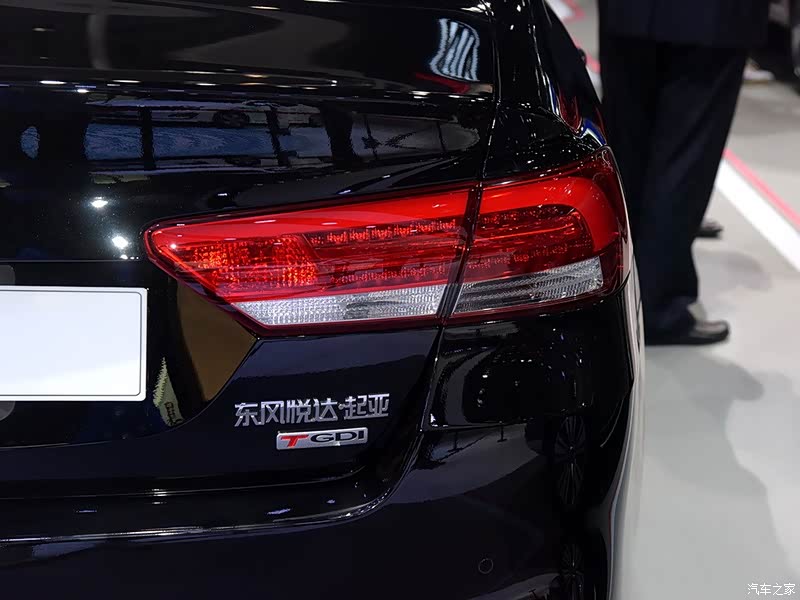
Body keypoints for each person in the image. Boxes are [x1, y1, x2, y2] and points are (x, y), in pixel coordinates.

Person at [597, 0, 769, 345]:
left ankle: (617, 285)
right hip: (708, 16)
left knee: (628, 143)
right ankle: (659, 307)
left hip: (629, 12)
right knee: (686, 155)